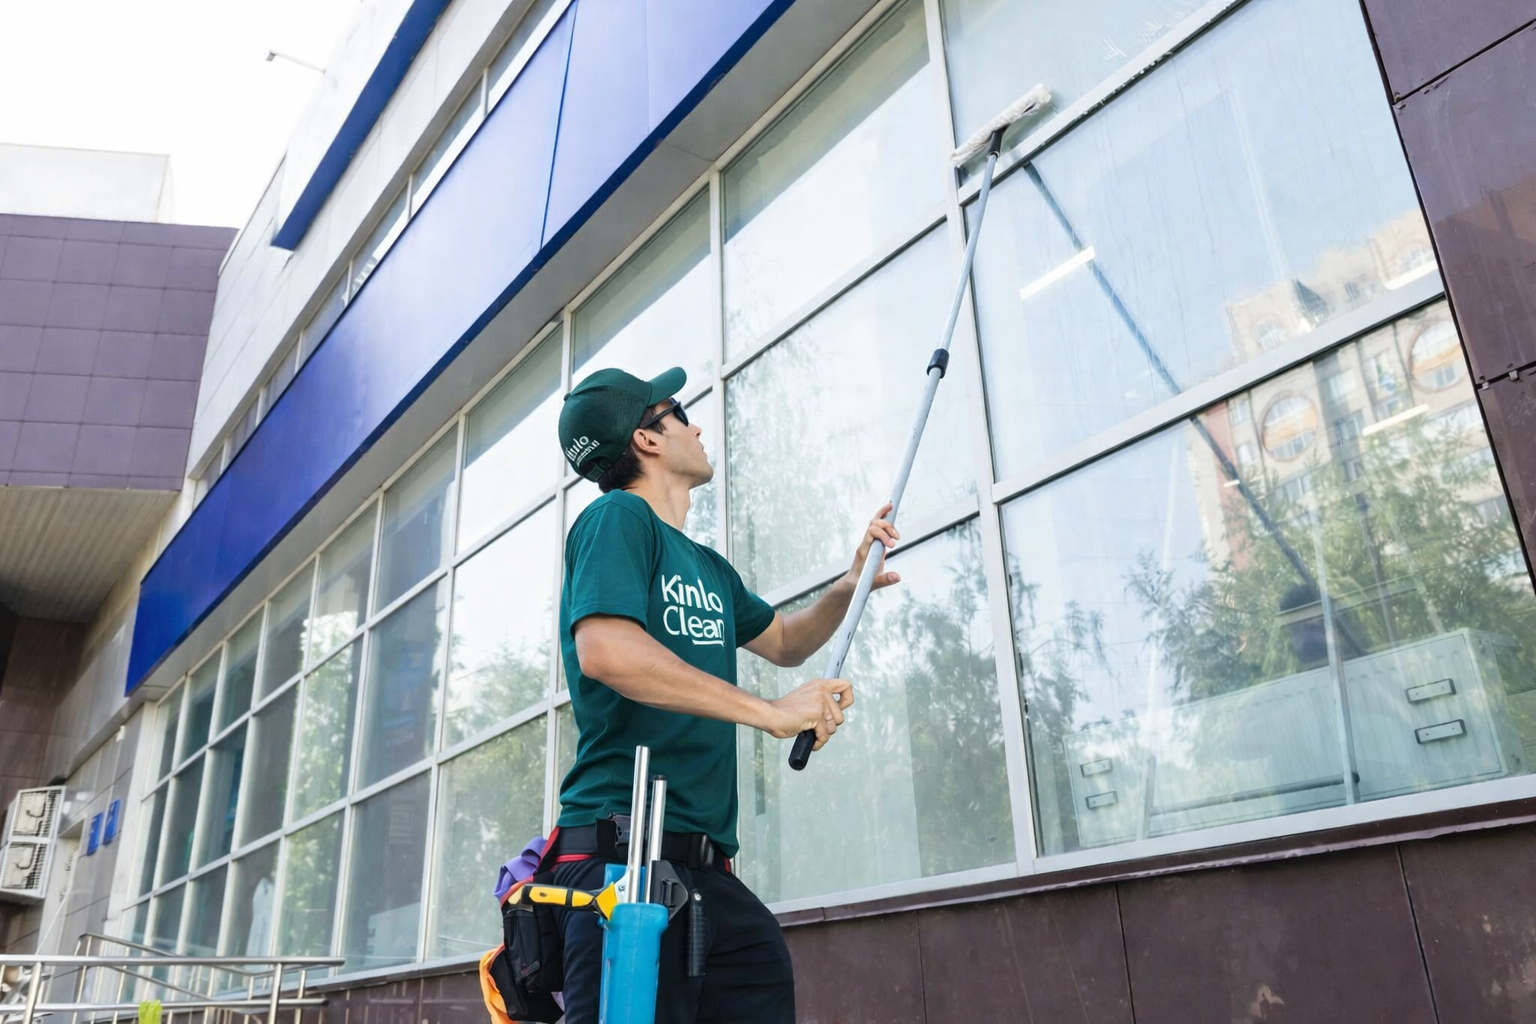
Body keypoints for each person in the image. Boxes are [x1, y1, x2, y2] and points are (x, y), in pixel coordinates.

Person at [548, 365, 900, 1023]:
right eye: (679, 411)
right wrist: (770, 713)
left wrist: (850, 584)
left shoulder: (707, 567)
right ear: (647, 439)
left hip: (705, 872)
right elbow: (607, 650)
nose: (698, 425)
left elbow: (788, 640)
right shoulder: (617, 519)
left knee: (761, 977)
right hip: (621, 860)